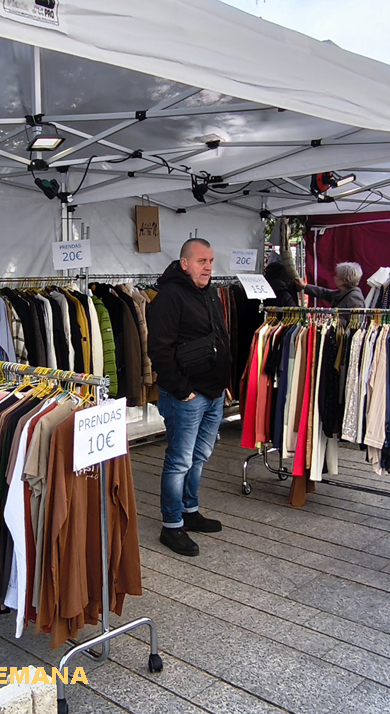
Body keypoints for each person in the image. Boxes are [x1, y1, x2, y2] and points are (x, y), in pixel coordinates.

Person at [147, 238, 231, 557]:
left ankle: (189, 510)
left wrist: (222, 382)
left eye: (211, 261)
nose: (208, 267)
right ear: (184, 264)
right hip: (186, 396)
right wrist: (183, 390)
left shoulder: (209, 292)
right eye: (201, 261)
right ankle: (171, 525)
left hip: (212, 393)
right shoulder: (170, 296)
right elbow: (159, 350)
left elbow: (218, 338)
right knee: (180, 460)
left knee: (199, 456)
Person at [297, 261, 364, 310]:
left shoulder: (354, 298)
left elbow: (356, 321)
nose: (334, 278)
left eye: (337, 276)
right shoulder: (343, 292)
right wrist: (305, 286)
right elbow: (324, 292)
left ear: (342, 281)